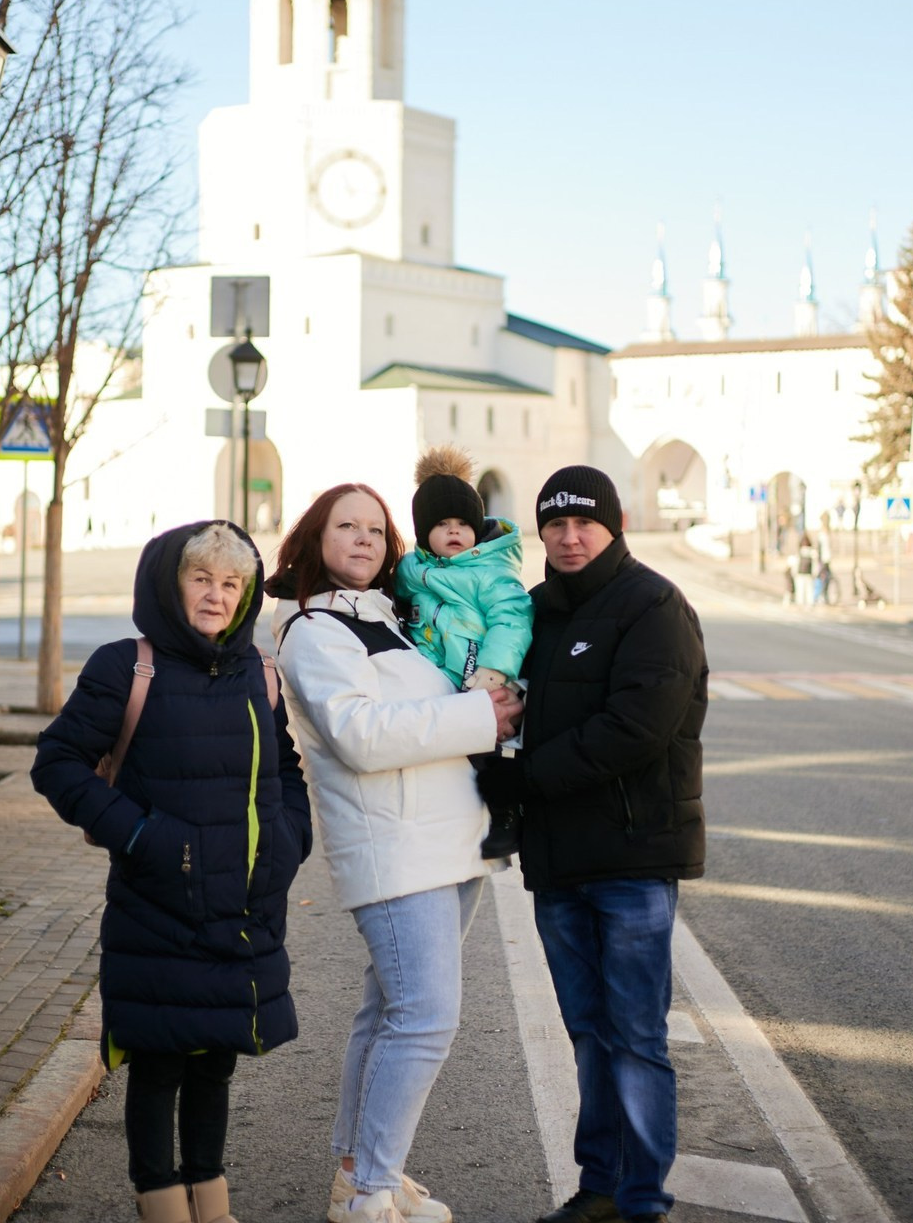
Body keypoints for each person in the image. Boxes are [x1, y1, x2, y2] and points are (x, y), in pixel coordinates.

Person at [32, 520, 312, 1223]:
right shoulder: (126, 666)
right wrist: (146, 838)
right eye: (202, 580)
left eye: (231, 584)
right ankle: (161, 1206)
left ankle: (211, 1204)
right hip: (159, 902)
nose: (216, 597)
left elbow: (283, 768)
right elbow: (58, 764)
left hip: (246, 905)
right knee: (158, 1062)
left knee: (216, 1057)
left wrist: (287, 841)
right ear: (171, 582)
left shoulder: (257, 670)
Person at [266, 483, 521, 1223]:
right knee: (426, 1018)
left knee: (388, 1013)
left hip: (445, 843)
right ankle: (371, 1189)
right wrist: (479, 713)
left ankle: (362, 1172)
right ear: (314, 539)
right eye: (346, 526)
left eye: (375, 530)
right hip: (395, 847)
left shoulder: (381, 616)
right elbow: (361, 734)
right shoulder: (314, 628)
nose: (364, 539)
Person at [476, 465, 708, 1223]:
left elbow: (637, 729)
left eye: (585, 523)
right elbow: (500, 697)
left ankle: (643, 1202)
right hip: (559, 861)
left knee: (636, 1037)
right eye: (556, 524)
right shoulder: (532, 612)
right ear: (539, 531)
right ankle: (601, 1189)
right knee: (588, 1034)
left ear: (615, 525)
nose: (569, 537)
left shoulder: (654, 606)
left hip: (633, 861)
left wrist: (527, 779)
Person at [395, 445, 533, 857]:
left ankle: (507, 816)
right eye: (441, 524)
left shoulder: (490, 572)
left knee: (498, 757)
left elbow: (513, 618)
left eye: (462, 523)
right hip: (438, 680)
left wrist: (494, 672)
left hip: (484, 681)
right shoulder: (410, 570)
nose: (454, 531)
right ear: (423, 533)